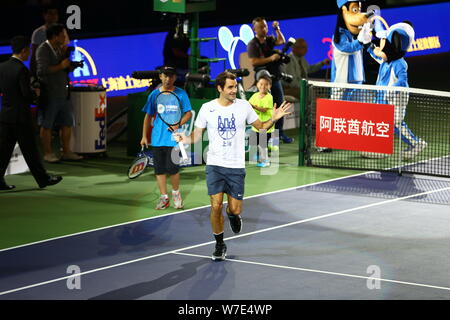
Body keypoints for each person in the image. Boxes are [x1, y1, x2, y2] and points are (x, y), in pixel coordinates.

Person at [174, 71, 292, 261]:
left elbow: (261, 126)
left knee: (234, 208)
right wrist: (184, 138)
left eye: (235, 87)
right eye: (229, 87)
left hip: (236, 167)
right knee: (215, 205)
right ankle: (219, 244)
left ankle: (233, 215)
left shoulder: (243, 106)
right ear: (219, 88)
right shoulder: (207, 108)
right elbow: (195, 136)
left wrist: (274, 118)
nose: (233, 91)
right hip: (214, 165)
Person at [0, 36, 62, 190]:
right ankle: (43, 179)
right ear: (23, 51)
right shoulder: (22, 69)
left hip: (6, 116)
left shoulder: (2, 67)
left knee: (4, 152)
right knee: (31, 151)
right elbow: (26, 95)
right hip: (21, 117)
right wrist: (36, 94)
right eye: (28, 50)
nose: (29, 54)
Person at [367, 21, 427, 160]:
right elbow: (376, 54)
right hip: (382, 99)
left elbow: (402, 82)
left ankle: (416, 143)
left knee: (395, 124)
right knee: (381, 123)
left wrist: (391, 91)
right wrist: (368, 44)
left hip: (395, 100)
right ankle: (379, 148)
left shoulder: (400, 63)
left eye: (384, 41)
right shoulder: (386, 60)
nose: (381, 44)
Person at [140, 66, 192, 210]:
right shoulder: (154, 95)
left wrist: (178, 124)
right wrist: (144, 136)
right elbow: (148, 116)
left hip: (174, 139)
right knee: (159, 170)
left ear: (175, 78)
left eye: (171, 76)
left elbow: (188, 114)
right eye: (165, 76)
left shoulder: (181, 94)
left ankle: (176, 194)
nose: (168, 79)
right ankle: (164, 197)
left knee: (173, 169)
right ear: (160, 77)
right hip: (157, 139)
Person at [36, 23, 82, 163]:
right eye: (62, 35)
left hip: (64, 92)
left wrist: (68, 67)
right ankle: (48, 153)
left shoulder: (59, 49)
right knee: (47, 124)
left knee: (67, 122)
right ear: (55, 36)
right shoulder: (43, 49)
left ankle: (66, 151)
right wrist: (61, 66)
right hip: (49, 93)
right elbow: (41, 71)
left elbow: (61, 68)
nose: (64, 37)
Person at [247, 17, 293, 144]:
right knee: (266, 106)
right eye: (261, 27)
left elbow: (281, 41)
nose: (264, 29)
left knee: (279, 104)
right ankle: (264, 138)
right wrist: (271, 58)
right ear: (254, 29)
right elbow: (254, 61)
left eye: (265, 26)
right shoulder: (253, 44)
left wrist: (277, 29)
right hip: (262, 78)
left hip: (275, 77)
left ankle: (279, 134)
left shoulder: (269, 39)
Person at [249, 75, 274, 167]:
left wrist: (253, 106)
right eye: (261, 84)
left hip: (266, 125)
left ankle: (265, 161)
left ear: (269, 86)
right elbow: (249, 106)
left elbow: (263, 110)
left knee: (262, 144)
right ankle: (260, 157)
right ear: (257, 85)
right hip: (256, 125)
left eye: (266, 84)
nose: (263, 86)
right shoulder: (254, 95)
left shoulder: (269, 97)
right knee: (255, 143)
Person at [30, 4, 60, 78]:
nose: (53, 16)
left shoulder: (62, 30)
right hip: (45, 71)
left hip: (59, 70)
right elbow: (34, 55)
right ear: (44, 15)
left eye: (55, 13)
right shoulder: (38, 33)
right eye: (50, 13)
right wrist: (33, 75)